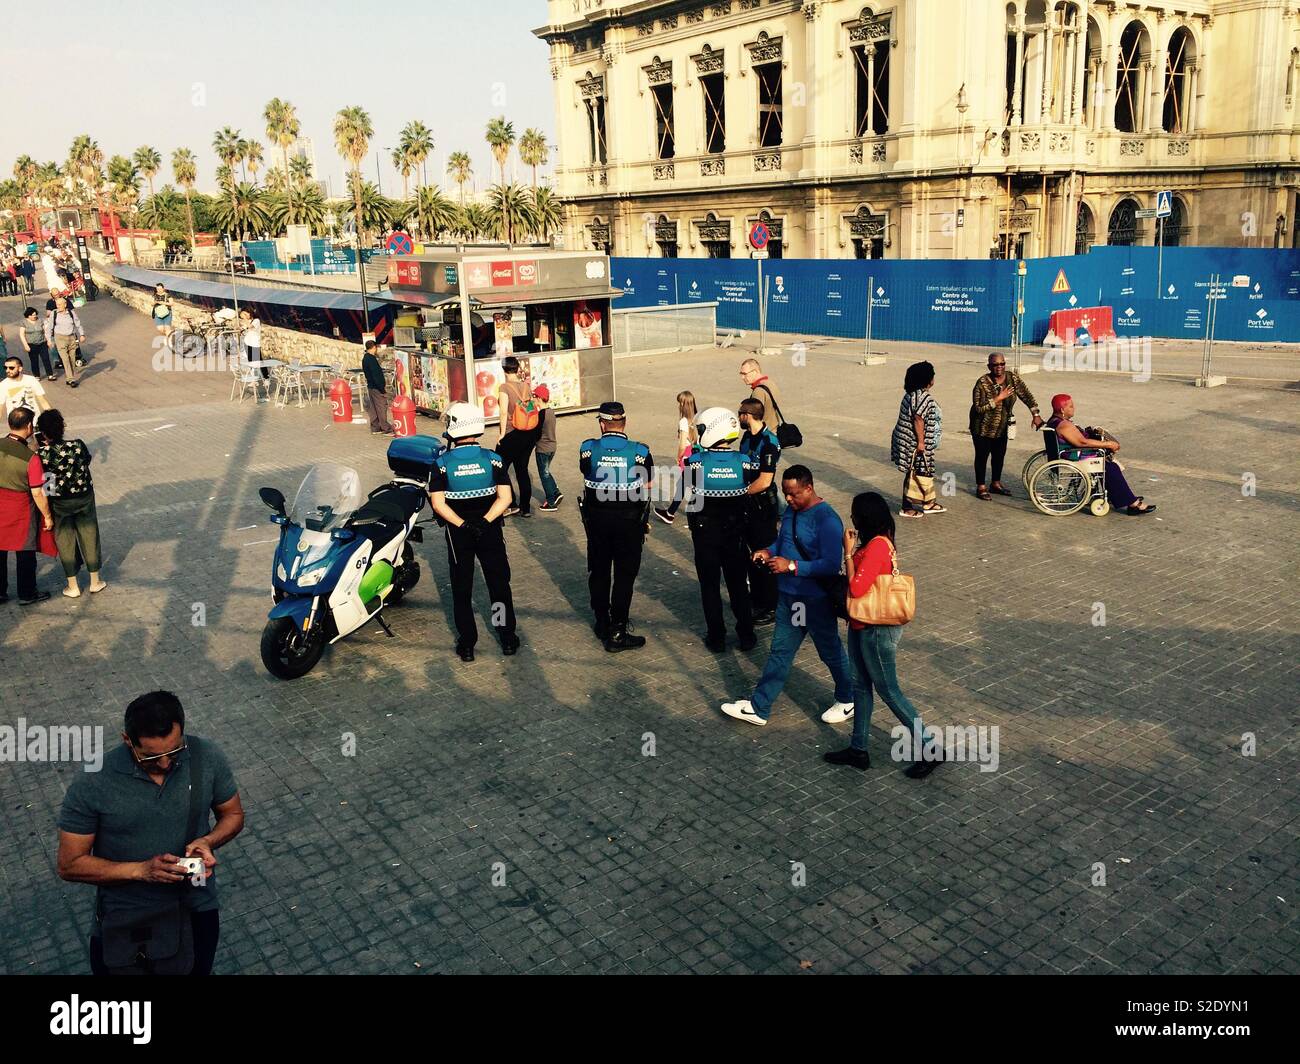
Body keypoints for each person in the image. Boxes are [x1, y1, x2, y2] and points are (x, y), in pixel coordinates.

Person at [56, 690, 245, 976]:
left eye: (174, 751)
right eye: (151, 757)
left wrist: (208, 840)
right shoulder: (93, 782)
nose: (166, 764)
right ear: (126, 741)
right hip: (127, 915)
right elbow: (69, 864)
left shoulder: (206, 756)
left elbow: (232, 814)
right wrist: (141, 871)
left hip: (196, 906)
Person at [721, 466, 854, 726]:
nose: (789, 500)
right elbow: (782, 542)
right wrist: (768, 552)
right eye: (785, 494)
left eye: (793, 494)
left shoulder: (827, 520)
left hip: (815, 600)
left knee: (830, 652)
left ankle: (848, 698)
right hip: (790, 598)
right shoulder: (792, 512)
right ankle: (759, 707)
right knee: (780, 652)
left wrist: (791, 566)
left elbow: (829, 564)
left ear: (809, 488)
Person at [823, 492, 943, 778]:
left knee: (889, 690)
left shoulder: (877, 546)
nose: (851, 519)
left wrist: (848, 552)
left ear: (864, 517)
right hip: (861, 624)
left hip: (877, 630)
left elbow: (857, 588)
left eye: (854, 514)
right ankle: (858, 749)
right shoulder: (877, 542)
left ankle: (931, 747)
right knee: (860, 687)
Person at [427, 402, 519, 661]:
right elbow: (506, 497)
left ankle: (467, 643)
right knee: (498, 584)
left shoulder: (441, 464)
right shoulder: (493, 459)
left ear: (453, 427)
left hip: (459, 534)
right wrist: (485, 521)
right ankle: (507, 637)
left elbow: (438, 503)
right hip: (489, 530)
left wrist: (463, 524)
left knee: (462, 588)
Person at [579, 400, 653, 652]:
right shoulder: (640, 451)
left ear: (602, 423)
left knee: (599, 571)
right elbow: (648, 485)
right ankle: (618, 631)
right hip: (628, 523)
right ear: (625, 422)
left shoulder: (587, 448)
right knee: (624, 576)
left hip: (597, 522)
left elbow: (585, 471)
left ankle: (601, 622)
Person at [685, 408, 758, 653]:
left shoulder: (696, 462)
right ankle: (746, 634)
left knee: (710, 586)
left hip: (706, 534)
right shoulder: (744, 461)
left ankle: (716, 637)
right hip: (735, 533)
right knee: (738, 585)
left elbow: (689, 484)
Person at [36, 409, 107, 599]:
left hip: (58, 502)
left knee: (65, 540)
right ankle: (95, 581)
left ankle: (73, 585)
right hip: (84, 497)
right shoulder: (77, 445)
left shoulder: (41, 453)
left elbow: (45, 480)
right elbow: (87, 461)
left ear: (42, 433)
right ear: (62, 427)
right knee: (90, 535)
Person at [1047, 394, 1156, 515]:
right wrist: (1108, 444)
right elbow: (1082, 442)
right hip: (1073, 456)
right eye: (1071, 406)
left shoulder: (1053, 421)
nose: (1074, 408)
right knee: (1110, 467)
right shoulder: (1064, 425)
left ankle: (1121, 494)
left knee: (1108, 464)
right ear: (1062, 410)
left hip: (1069, 453)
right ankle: (1133, 504)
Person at [0, 407, 56, 605]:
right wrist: (48, 516)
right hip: (20, 509)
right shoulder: (31, 458)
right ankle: (27, 593)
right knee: (25, 552)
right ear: (30, 426)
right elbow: (37, 492)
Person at [971, 352, 1043, 500]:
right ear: (989, 366)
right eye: (995, 365)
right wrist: (998, 398)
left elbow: (1026, 395)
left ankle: (995, 483)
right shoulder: (982, 383)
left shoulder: (1012, 379)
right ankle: (981, 487)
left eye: (1002, 364)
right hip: (982, 428)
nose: (999, 367)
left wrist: (1035, 414)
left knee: (999, 456)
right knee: (982, 457)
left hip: (1002, 427)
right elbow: (978, 408)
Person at [737, 396, 781, 625]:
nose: (738, 418)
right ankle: (757, 599)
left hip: (763, 507)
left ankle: (771, 605)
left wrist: (740, 493)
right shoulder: (747, 437)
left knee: (765, 553)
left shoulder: (769, 442)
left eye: (740, 414)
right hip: (748, 507)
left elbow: (764, 481)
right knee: (751, 555)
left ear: (748, 415)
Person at [890, 361, 944, 519]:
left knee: (922, 471)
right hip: (913, 441)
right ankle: (907, 507)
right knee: (915, 472)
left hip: (906, 438)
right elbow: (918, 419)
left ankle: (928, 502)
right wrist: (921, 442)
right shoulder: (923, 397)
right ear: (929, 379)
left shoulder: (912, 394)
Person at [495, 356, 540, 518]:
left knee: (500, 469)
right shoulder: (525, 386)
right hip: (528, 434)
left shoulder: (504, 388)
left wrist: (501, 434)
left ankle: (511, 503)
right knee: (522, 470)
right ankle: (526, 508)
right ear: (516, 369)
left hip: (510, 433)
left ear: (504, 370)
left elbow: (502, 411)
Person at [653, 390, 698, 526]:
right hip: (698, 454)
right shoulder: (698, 417)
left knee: (685, 484)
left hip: (688, 456)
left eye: (679, 403)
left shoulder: (684, 421)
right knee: (688, 484)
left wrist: (679, 457)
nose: (678, 406)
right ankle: (672, 512)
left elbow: (683, 443)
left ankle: (671, 514)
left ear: (683, 404)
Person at [532, 384, 564, 512]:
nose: (533, 399)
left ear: (539, 398)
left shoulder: (541, 414)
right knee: (547, 472)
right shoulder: (551, 412)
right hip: (552, 447)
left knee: (543, 474)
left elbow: (537, 433)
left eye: (534, 396)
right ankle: (556, 492)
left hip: (543, 448)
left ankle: (550, 502)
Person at [44, 295, 85, 388]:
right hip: (60, 338)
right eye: (57, 304)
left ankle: (69, 377)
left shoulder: (71, 313)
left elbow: (78, 324)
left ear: (65, 304)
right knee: (65, 359)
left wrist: (82, 334)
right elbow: (49, 328)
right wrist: (49, 340)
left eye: (59, 304)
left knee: (72, 358)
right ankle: (71, 379)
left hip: (71, 338)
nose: (57, 306)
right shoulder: (54, 314)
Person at [361, 340, 394, 435]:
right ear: (374, 347)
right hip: (376, 387)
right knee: (381, 407)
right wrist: (382, 389)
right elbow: (376, 376)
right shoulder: (372, 359)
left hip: (371, 386)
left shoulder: (365, 358)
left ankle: (375, 427)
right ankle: (386, 428)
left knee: (374, 408)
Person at [19, 307, 55, 380]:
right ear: (28, 315)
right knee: (34, 360)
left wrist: (48, 341)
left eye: (35, 314)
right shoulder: (23, 322)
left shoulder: (40, 320)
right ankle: (36, 375)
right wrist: (26, 345)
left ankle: (50, 375)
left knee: (46, 358)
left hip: (42, 343)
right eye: (32, 315)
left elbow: (45, 331)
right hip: (31, 344)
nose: (34, 316)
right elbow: (22, 335)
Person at [238, 309, 265, 380]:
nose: (244, 316)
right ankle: (254, 379)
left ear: (249, 313)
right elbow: (243, 328)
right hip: (247, 343)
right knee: (251, 362)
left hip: (255, 343)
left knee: (259, 362)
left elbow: (250, 327)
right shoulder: (247, 322)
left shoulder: (256, 321)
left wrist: (245, 319)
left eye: (245, 314)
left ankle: (266, 377)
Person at [151, 283, 174, 350]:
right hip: (158, 314)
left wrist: (163, 303)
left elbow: (172, 303)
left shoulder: (168, 295)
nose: (159, 290)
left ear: (163, 288)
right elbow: (151, 304)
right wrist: (155, 302)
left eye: (160, 289)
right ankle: (168, 335)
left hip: (167, 313)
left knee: (167, 329)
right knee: (160, 328)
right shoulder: (155, 295)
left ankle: (169, 342)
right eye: (157, 289)